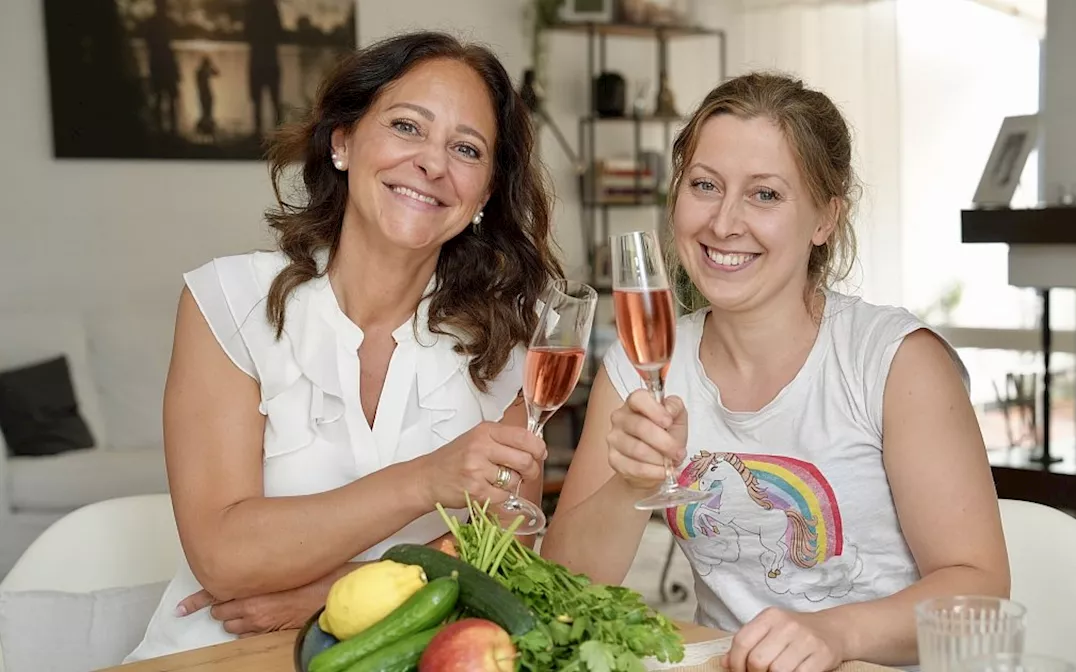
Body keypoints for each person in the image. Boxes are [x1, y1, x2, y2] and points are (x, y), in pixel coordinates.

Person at [540, 72, 1009, 671]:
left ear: (824, 219)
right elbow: (561, 592)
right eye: (705, 185)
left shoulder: (893, 361)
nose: (724, 222)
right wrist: (631, 486)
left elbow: (980, 590)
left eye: (765, 195)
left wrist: (836, 634)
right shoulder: (642, 365)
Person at [124, 31, 561, 662]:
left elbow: (506, 553)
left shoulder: (511, 344)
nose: (432, 164)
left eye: (465, 149)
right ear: (343, 142)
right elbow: (223, 555)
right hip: (224, 649)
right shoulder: (228, 302)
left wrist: (329, 591)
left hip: (414, 653)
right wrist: (427, 482)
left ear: (484, 194)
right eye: (407, 127)